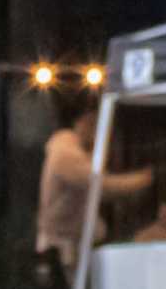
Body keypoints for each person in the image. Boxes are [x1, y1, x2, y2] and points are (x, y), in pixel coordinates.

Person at [35, 104, 150, 278]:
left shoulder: (77, 153)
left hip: (75, 239)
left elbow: (98, 192)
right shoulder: (65, 153)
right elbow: (100, 183)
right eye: (95, 126)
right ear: (83, 123)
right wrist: (139, 180)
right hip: (61, 244)